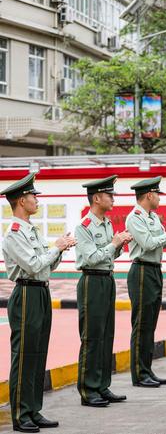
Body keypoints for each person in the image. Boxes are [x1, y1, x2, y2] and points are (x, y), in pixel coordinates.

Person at [2, 174, 76, 433]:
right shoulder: (13, 233)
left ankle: (33, 409)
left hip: (41, 292)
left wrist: (60, 249)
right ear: (22, 200)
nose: (36, 200)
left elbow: (45, 266)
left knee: (38, 353)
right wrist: (55, 248)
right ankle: (21, 414)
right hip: (26, 295)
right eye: (34, 196)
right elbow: (33, 266)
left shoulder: (30, 231)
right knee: (23, 356)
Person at [75, 175, 132, 407]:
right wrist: (114, 243)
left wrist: (118, 244)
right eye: (109, 195)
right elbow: (91, 258)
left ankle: (102, 385)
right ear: (97, 198)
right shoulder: (84, 226)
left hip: (107, 280)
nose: (113, 199)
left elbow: (109, 256)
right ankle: (88, 390)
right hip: (92, 281)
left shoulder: (107, 223)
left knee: (107, 334)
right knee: (92, 336)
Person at [126, 176, 166, 388]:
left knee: (150, 323)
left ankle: (147, 369)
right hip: (141, 270)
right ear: (149, 195)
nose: (160, 198)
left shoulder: (152, 217)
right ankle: (139, 374)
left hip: (154, 270)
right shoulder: (134, 217)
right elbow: (148, 243)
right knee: (141, 324)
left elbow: (162, 243)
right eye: (158, 194)